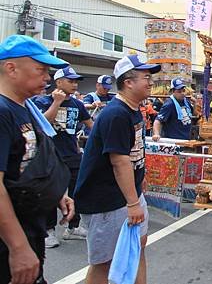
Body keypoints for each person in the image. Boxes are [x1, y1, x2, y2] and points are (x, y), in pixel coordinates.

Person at [74, 54, 160, 284]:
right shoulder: (116, 114)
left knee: (138, 246)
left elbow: (134, 151)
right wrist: (132, 203)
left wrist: (140, 178)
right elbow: (119, 160)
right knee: (104, 263)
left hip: (128, 193)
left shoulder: (132, 110)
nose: (151, 82)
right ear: (128, 82)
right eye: (146, 77)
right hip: (107, 199)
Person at [0, 35, 75, 284]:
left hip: (30, 227)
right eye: (41, 69)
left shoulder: (24, 107)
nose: (47, 76)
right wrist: (18, 247)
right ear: (11, 68)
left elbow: (25, 164)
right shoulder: (2, 112)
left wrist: (57, 194)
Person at [34, 66, 93, 248]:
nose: (75, 85)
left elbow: (92, 125)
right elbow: (41, 125)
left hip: (72, 154)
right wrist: (56, 102)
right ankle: (48, 231)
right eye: (71, 81)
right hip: (50, 156)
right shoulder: (42, 100)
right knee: (51, 194)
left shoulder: (77, 104)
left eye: (76, 81)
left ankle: (73, 227)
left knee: (76, 192)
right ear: (58, 82)